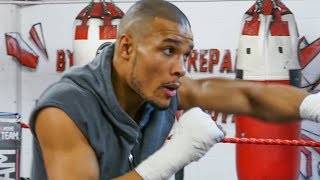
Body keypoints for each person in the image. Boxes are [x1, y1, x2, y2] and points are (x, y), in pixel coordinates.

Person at [29, 0, 320, 179]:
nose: (180, 67)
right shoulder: (64, 110)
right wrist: (172, 158)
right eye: (168, 50)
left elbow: (250, 96)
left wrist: (312, 106)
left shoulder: (166, 89)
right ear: (127, 47)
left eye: (186, 54)